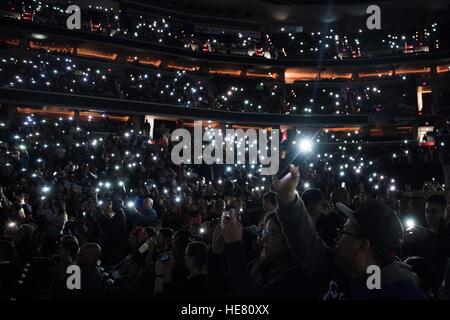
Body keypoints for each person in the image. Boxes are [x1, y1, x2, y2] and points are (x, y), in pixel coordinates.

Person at [273, 165, 426, 300]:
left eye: (344, 232)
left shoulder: (399, 295)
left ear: (362, 246)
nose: (337, 237)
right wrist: (287, 198)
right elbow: (307, 244)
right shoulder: (343, 268)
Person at [219, 209, 315, 299]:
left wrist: (235, 246)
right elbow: (225, 287)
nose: (264, 239)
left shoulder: (297, 278)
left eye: (271, 233)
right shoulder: (262, 263)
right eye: (265, 232)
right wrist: (216, 252)